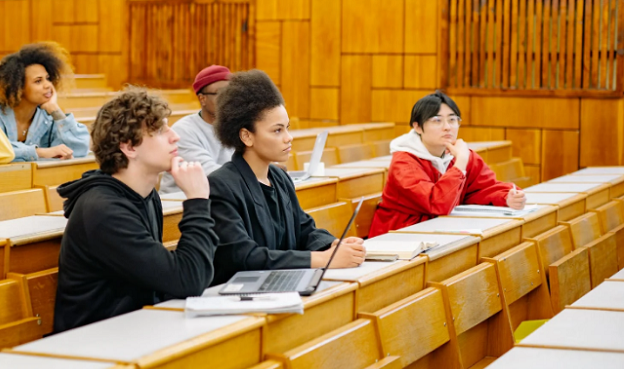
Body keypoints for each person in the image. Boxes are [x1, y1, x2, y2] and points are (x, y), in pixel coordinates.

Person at [53, 87, 219, 331]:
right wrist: (197, 200)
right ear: (129, 147)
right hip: (92, 343)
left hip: (134, 326)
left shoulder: (147, 195)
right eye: (160, 130)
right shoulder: (103, 211)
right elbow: (188, 280)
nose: (175, 137)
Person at [208, 70, 366, 286]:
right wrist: (322, 259)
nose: (288, 138)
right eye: (277, 131)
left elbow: (304, 229)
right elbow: (244, 256)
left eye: (287, 128)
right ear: (246, 136)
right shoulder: (221, 185)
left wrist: (334, 245)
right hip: (239, 295)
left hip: (281, 284)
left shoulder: (279, 177)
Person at [369, 91, 526, 237]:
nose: (447, 127)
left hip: (436, 230)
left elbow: (481, 189)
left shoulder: (460, 155)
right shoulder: (404, 163)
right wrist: (460, 164)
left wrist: (507, 197)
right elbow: (436, 203)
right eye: (437, 120)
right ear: (417, 126)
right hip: (400, 236)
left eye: (452, 120)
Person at [0, 42, 90, 162]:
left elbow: (80, 149)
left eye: (48, 79)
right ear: (18, 87)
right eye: (38, 81)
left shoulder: (48, 116)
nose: (48, 85)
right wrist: (40, 152)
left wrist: (55, 110)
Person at [159, 65, 234, 194]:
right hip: (178, 204)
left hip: (222, 198)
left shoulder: (240, 125)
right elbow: (212, 175)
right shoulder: (184, 131)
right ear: (202, 99)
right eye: (221, 93)